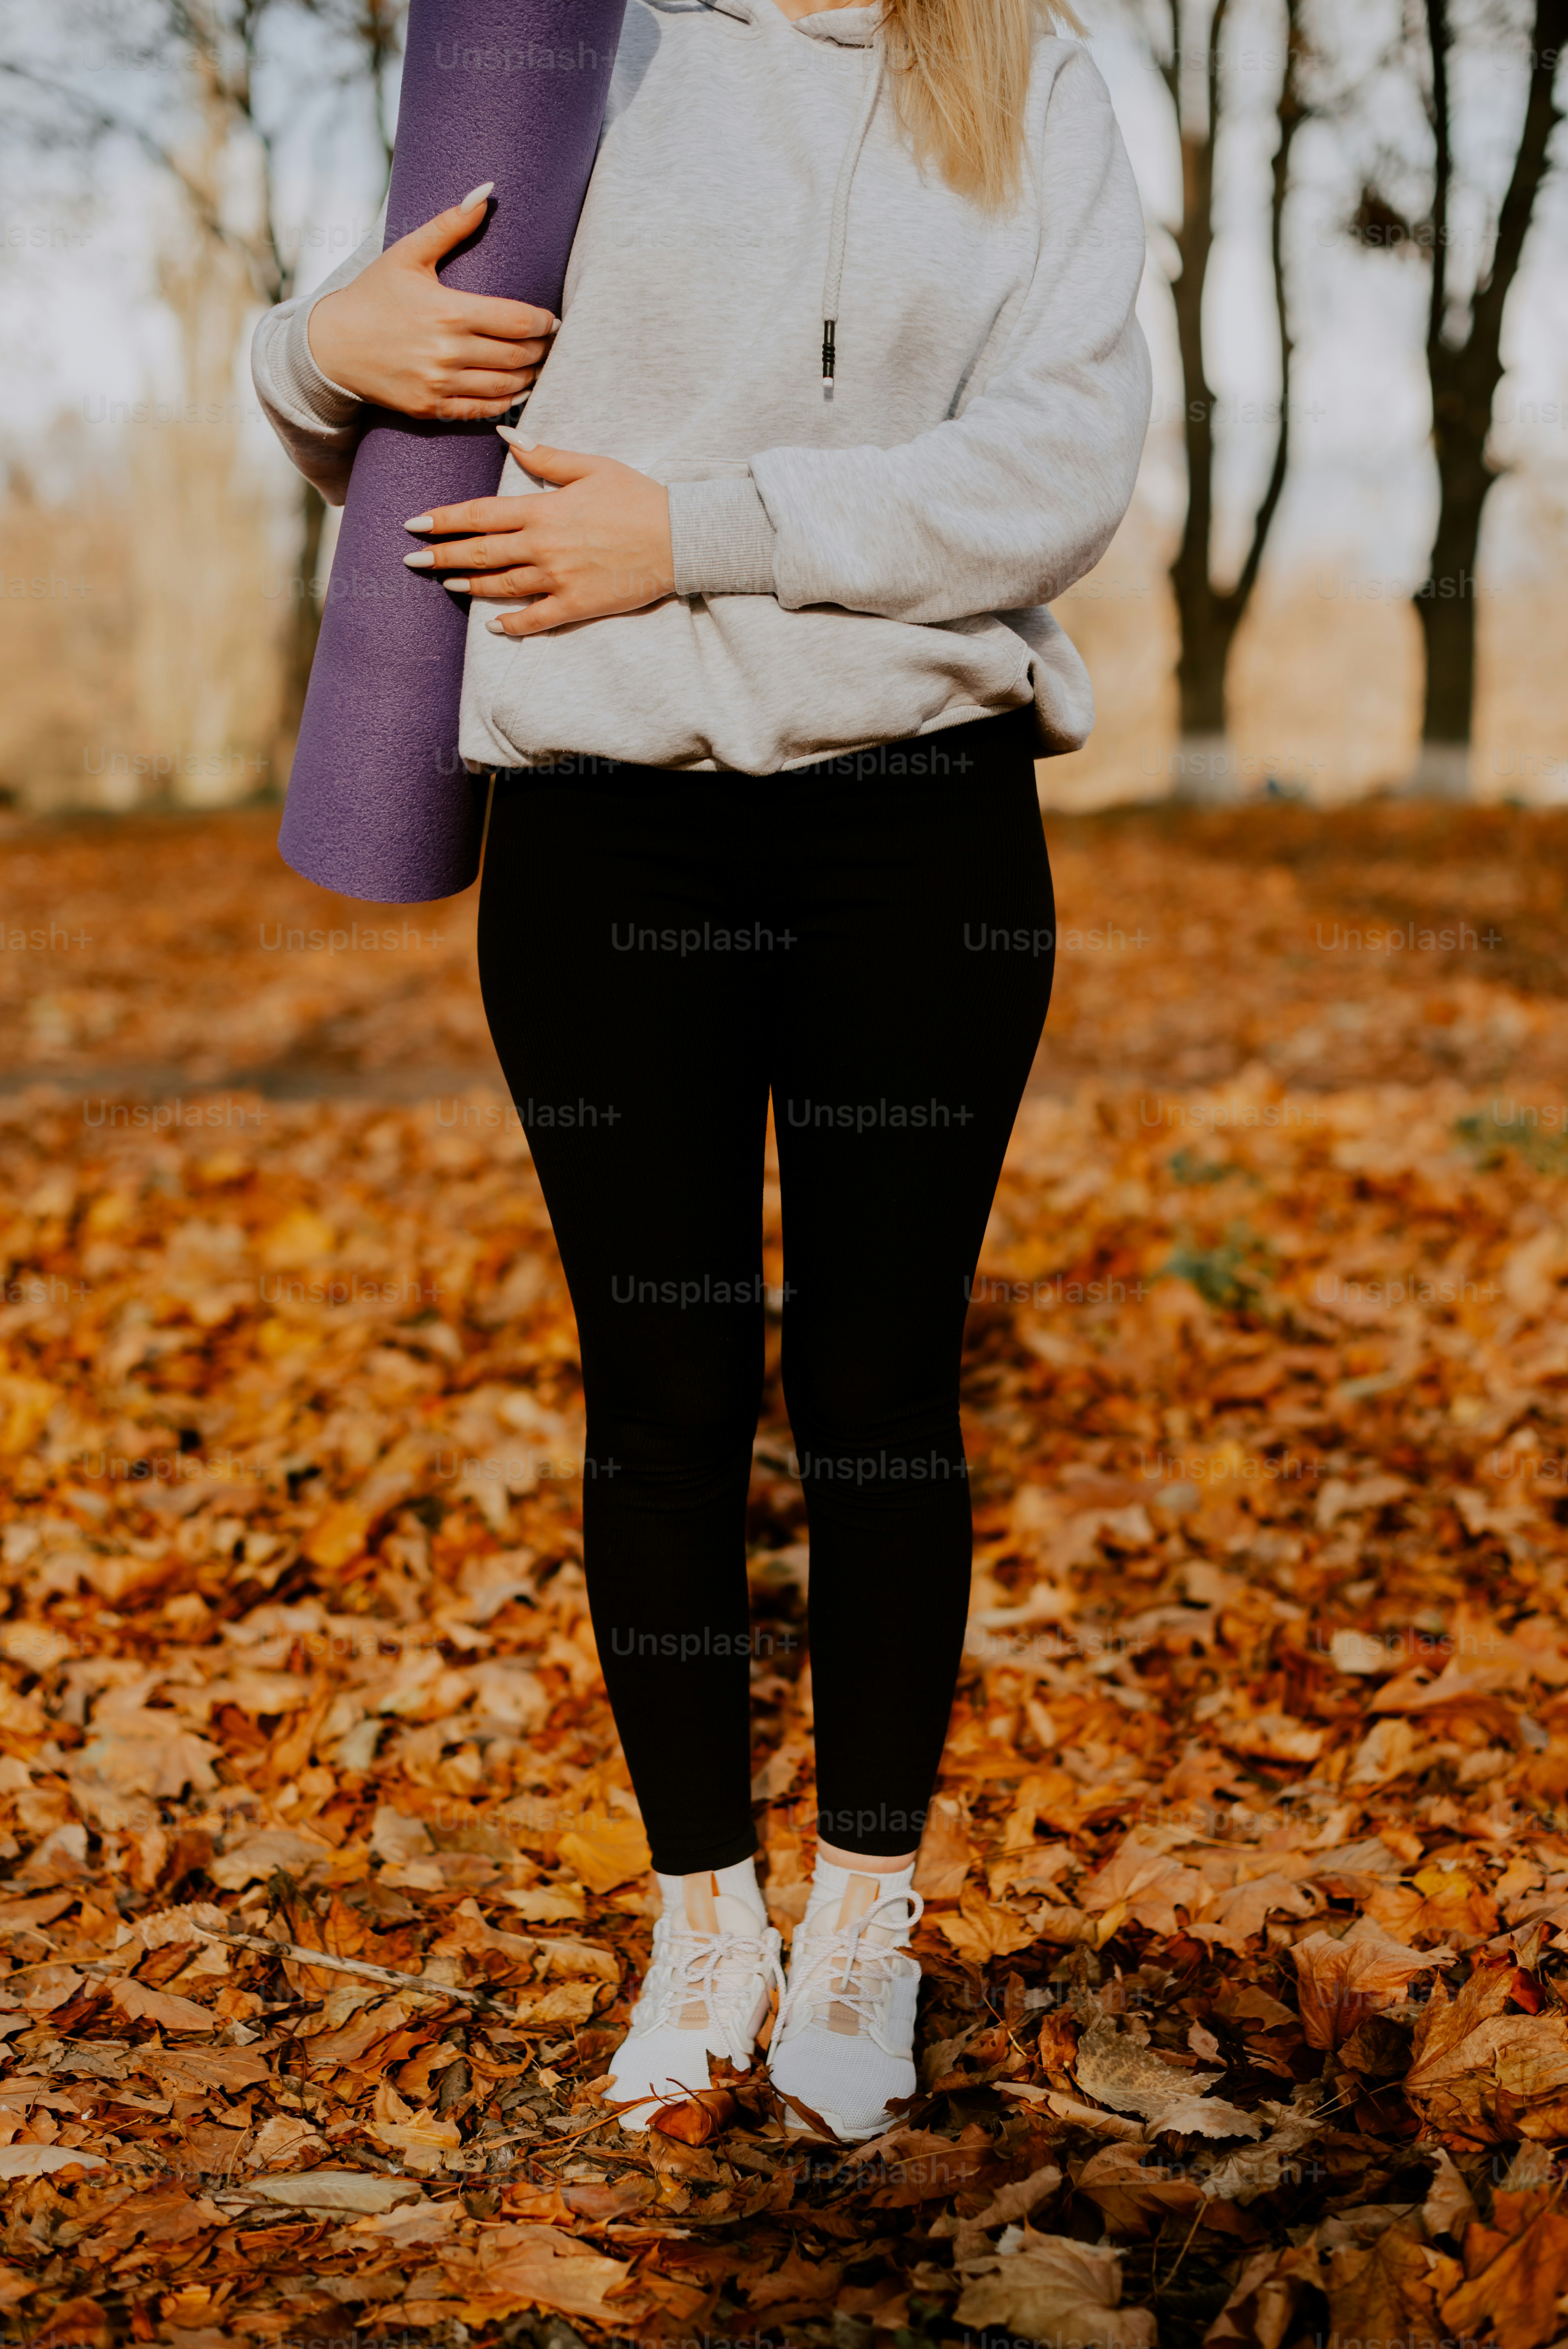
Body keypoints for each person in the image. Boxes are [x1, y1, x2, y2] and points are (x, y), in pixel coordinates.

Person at [253, 0, 1150, 2142]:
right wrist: (313, 357)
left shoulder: (1026, 75)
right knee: (659, 1392)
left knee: (877, 1387)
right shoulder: (575, 42)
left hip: (916, 818)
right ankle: (705, 1913)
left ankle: (862, 1908)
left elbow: (1059, 465)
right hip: (601, 814)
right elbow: (405, 390)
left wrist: (703, 530)